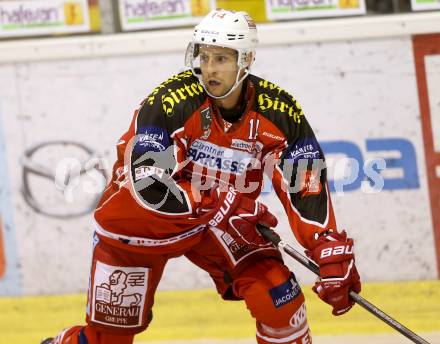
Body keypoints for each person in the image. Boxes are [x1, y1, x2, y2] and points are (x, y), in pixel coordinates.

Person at [43, 8, 361, 344]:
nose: (209, 68)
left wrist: (326, 245)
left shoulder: (279, 112)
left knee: (281, 302)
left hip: (219, 223)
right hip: (139, 225)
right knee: (107, 339)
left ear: (247, 59)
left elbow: (304, 179)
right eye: (204, 56)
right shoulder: (170, 102)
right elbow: (148, 184)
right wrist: (220, 202)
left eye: (222, 58)